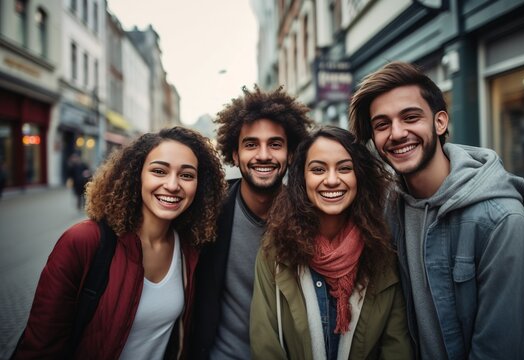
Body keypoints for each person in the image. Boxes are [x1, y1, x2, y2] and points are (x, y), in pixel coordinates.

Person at [349, 61, 524, 359]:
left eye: (410, 117)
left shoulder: (501, 219)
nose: (396, 133)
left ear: (440, 123)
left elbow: (497, 350)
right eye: (382, 124)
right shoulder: (388, 208)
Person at [13, 126, 227, 359]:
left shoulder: (190, 248)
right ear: (137, 175)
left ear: (199, 186)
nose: (173, 185)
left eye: (186, 175)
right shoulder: (83, 242)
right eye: (159, 171)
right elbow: (39, 349)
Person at [250, 126, 413, 359]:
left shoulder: (381, 251)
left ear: (360, 176)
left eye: (345, 168)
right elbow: (265, 345)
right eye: (318, 169)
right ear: (302, 178)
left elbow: (396, 347)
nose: (332, 180)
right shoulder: (276, 251)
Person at [189, 85, 313, 359]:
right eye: (251, 144)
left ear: (291, 154)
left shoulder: (310, 217)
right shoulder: (209, 212)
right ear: (235, 155)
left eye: (275, 144)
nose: (264, 155)